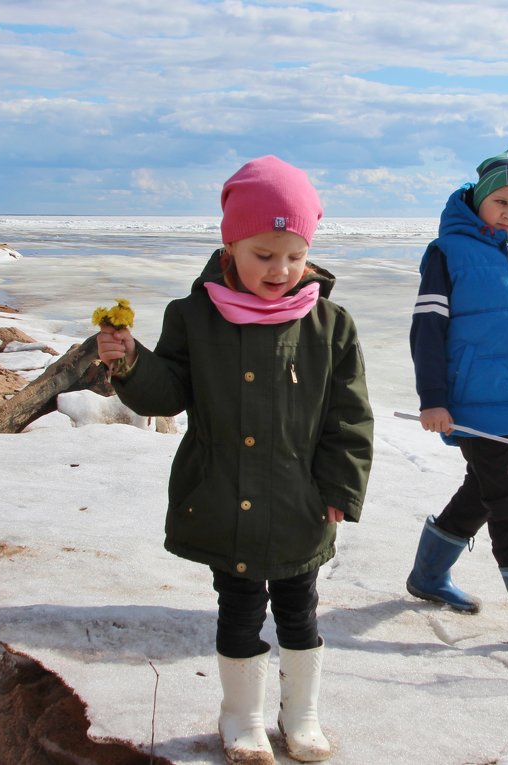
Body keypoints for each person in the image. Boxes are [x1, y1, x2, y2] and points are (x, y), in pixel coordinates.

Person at [96, 155, 375, 763]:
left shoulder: (330, 326)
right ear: (231, 247)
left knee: (300, 609)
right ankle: (241, 718)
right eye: (263, 254)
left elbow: (348, 419)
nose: (280, 270)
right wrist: (130, 362)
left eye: (293, 255)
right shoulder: (193, 316)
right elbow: (168, 394)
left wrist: (340, 491)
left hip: (302, 501)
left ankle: (301, 715)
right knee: (241, 609)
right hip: (226, 495)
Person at [407, 145, 508, 657]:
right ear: (478, 198)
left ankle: (428, 575)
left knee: (483, 491)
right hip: (471, 399)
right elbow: (427, 330)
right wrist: (433, 399)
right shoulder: (449, 252)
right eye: (501, 201)